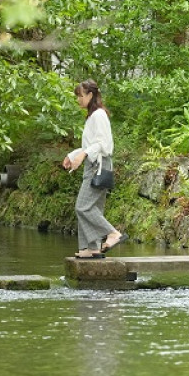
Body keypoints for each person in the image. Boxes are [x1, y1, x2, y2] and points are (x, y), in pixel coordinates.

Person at [62, 79, 124, 259]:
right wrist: (73, 155)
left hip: (98, 166)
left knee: (82, 207)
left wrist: (83, 155)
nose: (78, 100)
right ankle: (92, 248)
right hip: (93, 164)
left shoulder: (99, 115)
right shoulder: (92, 117)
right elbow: (90, 145)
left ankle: (112, 234)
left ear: (90, 95)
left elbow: (104, 145)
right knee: (92, 208)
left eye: (80, 96)